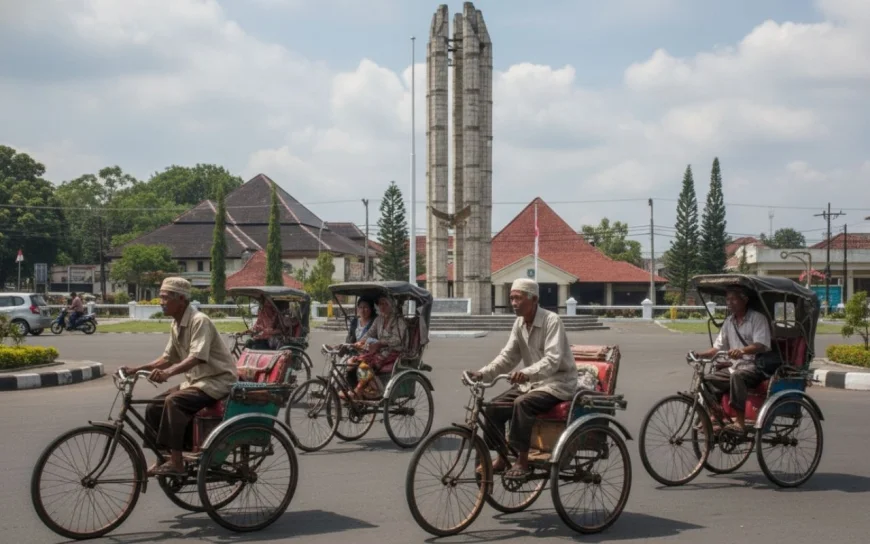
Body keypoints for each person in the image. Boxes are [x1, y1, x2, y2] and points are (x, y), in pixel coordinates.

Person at [120, 277, 238, 476]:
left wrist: (168, 373)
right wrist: (136, 369)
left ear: (181, 299)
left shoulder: (199, 320)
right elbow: (168, 358)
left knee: (174, 402)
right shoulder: (176, 324)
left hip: (217, 381)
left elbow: (197, 357)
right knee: (154, 406)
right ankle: (164, 457)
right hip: (196, 382)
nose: (161, 302)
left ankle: (177, 462)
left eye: (165, 298)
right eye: (161, 297)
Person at [467, 278, 577, 481]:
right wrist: (482, 373)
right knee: (494, 407)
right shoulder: (519, 324)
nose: (513, 303)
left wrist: (526, 373)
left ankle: (522, 460)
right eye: (511, 298)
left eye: (518, 298)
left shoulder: (551, 321)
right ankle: (502, 456)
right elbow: (507, 357)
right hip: (533, 384)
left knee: (522, 403)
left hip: (557, 383)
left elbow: (553, 360)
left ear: (534, 299)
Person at [694, 284, 771, 434]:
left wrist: (742, 351)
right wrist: (700, 355)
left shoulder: (757, 319)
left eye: (733, 299)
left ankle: (740, 422)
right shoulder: (729, 322)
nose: (730, 303)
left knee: (737, 376)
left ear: (745, 300)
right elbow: (717, 348)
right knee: (707, 381)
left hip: (756, 367)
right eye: (728, 300)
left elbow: (760, 344)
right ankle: (716, 416)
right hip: (734, 366)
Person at [341, 295, 406, 400]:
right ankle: (353, 389)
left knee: (365, 364)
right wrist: (359, 342)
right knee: (354, 361)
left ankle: (359, 390)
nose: (382, 307)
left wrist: (380, 343)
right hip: (380, 350)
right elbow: (369, 333)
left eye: (385, 304)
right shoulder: (379, 319)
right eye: (380, 304)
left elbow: (398, 339)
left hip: (394, 351)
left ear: (391, 305)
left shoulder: (398, 321)